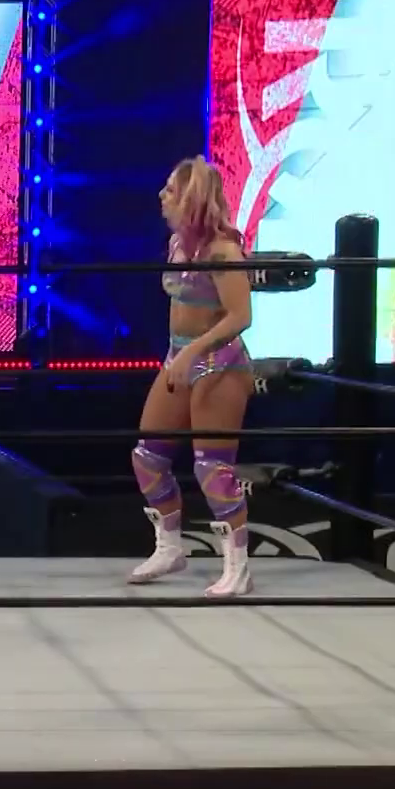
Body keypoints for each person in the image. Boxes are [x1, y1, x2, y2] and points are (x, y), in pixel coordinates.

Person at [129, 157, 255, 597]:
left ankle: (238, 569)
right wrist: (178, 354)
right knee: (147, 457)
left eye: (170, 189)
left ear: (192, 197)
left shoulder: (223, 252)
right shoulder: (177, 245)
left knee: (212, 468)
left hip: (220, 362)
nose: (161, 195)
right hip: (178, 355)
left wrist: (194, 353)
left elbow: (241, 316)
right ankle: (170, 548)